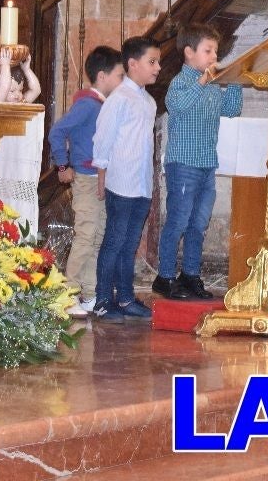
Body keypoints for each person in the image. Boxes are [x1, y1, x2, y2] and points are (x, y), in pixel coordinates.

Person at [154, 23, 243, 300]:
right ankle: (165, 276)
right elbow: (176, 106)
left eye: (215, 51)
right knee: (178, 222)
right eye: (208, 50)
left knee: (198, 224)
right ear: (189, 52)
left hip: (206, 165)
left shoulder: (214, 85)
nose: (214, 56)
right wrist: (203, 81)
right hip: (183, 165)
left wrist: (236, 81)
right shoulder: (180, 83)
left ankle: (190, 275)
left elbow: (232, 109)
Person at [48, 45, 125, 318]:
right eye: (119, 75)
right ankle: (66, 295)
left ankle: (90, 294)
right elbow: (58, 131)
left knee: (97, 237)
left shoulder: (101, 105)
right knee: (85, 235)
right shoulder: (87, 105)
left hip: (101, 180)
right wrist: (62, 164)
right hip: (86, 178)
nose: (122, 81)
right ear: (102, 77)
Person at [92, 36, 161, 324]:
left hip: (141, 183)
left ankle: (126, 297)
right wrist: (101, 175)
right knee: (114, 241)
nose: (158, 67)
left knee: (130, 243)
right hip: (120, 183)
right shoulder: (118, 98)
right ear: (133, 64)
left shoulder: (148, 100)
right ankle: (103, 299)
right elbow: (103, 138)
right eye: (152, 62)